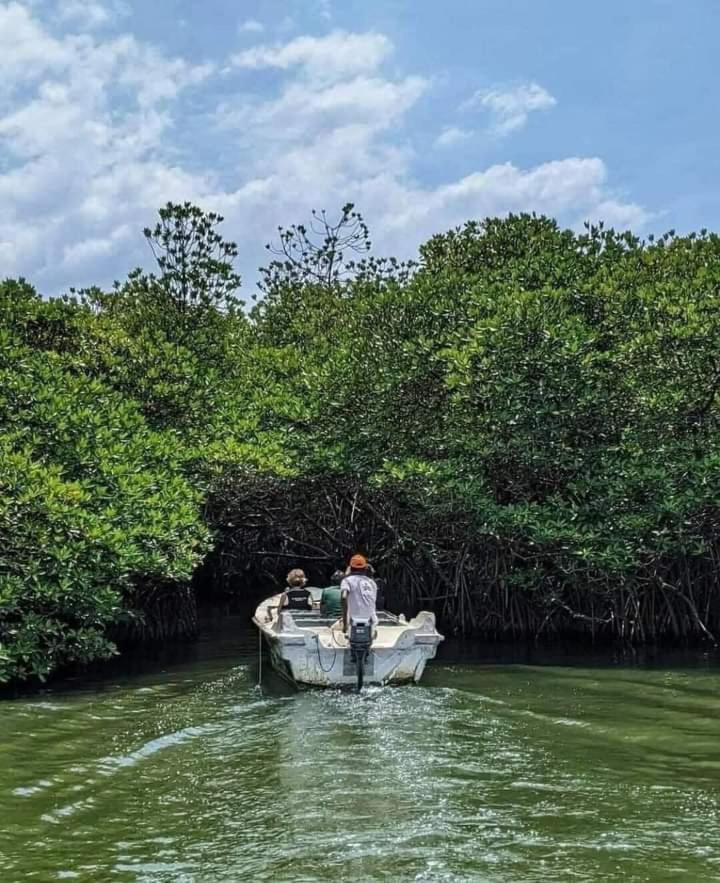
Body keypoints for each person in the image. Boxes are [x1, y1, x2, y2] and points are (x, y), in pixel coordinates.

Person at [341, 554, 378, 634]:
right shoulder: (372, 583)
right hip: (371, 621)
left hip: (353, 621)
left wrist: (345, 625)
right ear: (364, 568)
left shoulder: (347, 581)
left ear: (351, 568)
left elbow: (344, 597)